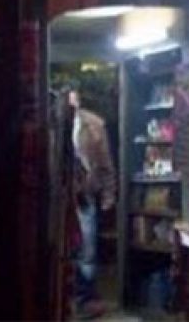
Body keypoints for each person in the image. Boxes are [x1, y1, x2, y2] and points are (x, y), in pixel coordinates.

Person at [69, 89, 116, 319]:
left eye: (73, 100)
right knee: (65, 246)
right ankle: (72, 296)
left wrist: (108, 194)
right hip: (61, 193)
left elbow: (105, 162)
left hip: (83, 192)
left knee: (87, 247)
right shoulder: (53, 122)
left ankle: (84, 298)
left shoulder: (93, 125)